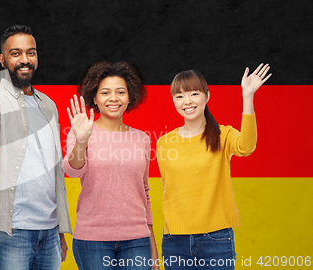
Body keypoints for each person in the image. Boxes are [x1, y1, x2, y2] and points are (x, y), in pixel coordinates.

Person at [0, 24, 72, 270]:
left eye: (30, 53)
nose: (24, 60)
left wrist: (61, 230)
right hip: (12, 229)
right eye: (15, 53)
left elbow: (53, 170)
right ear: (2, 58)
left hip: (50, 230)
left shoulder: (48, 104)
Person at [156, 64, 271, 270]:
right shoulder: (164, 142)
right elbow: (169, 188)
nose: (187, 101)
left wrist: (247, 96)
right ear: (173, 100)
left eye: (194, 93)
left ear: (207, 97)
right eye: (179, 96)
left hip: (216, 238)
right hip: (175, 240)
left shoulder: (222, 135)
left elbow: (247, 146)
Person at [62, 60, 159, 270]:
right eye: (105, 92)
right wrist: (81, 140)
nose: (113, 98)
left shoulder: (142, 138)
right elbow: (72, 171)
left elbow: (144, 191)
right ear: (94, 98)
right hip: (92, 239)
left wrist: (152, 244)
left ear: (130, 96)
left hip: (137, 240)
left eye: (120, 92)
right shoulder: (81, 132)